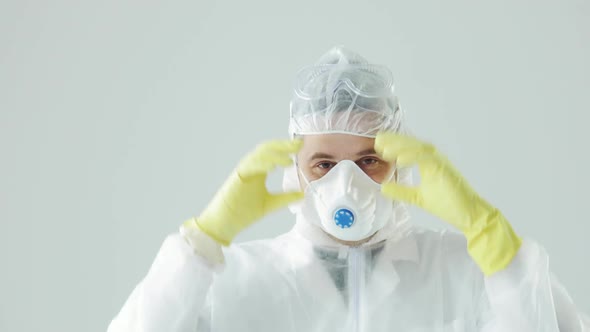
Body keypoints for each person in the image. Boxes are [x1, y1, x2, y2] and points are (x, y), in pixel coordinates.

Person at [108, 47, 589, 332]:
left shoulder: (465, 270)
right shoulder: (233, 280)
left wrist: (498, 249)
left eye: (368, 161)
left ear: (400, 164)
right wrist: (202, 243)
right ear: (294, 170)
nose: (346, 184)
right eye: (323, 163)